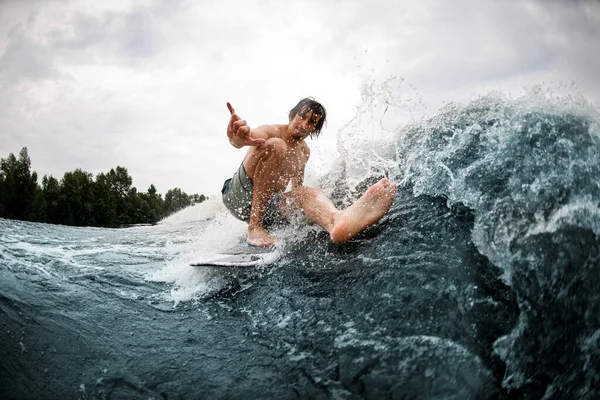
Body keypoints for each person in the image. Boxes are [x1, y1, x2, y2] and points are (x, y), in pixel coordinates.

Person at [221, 97, 397, 247]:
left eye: (311, 122)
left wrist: (308, 213)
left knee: (307, 192)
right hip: (238, 197)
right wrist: (236, 137)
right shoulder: (271, 131)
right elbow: (243, 139)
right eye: (301, 117)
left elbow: (296, 192)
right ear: (292, 115)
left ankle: (335, 221)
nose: (304, 124)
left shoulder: (304, 152)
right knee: (277, 145)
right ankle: (254, 228)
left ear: (315, 129)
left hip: (267, 205)